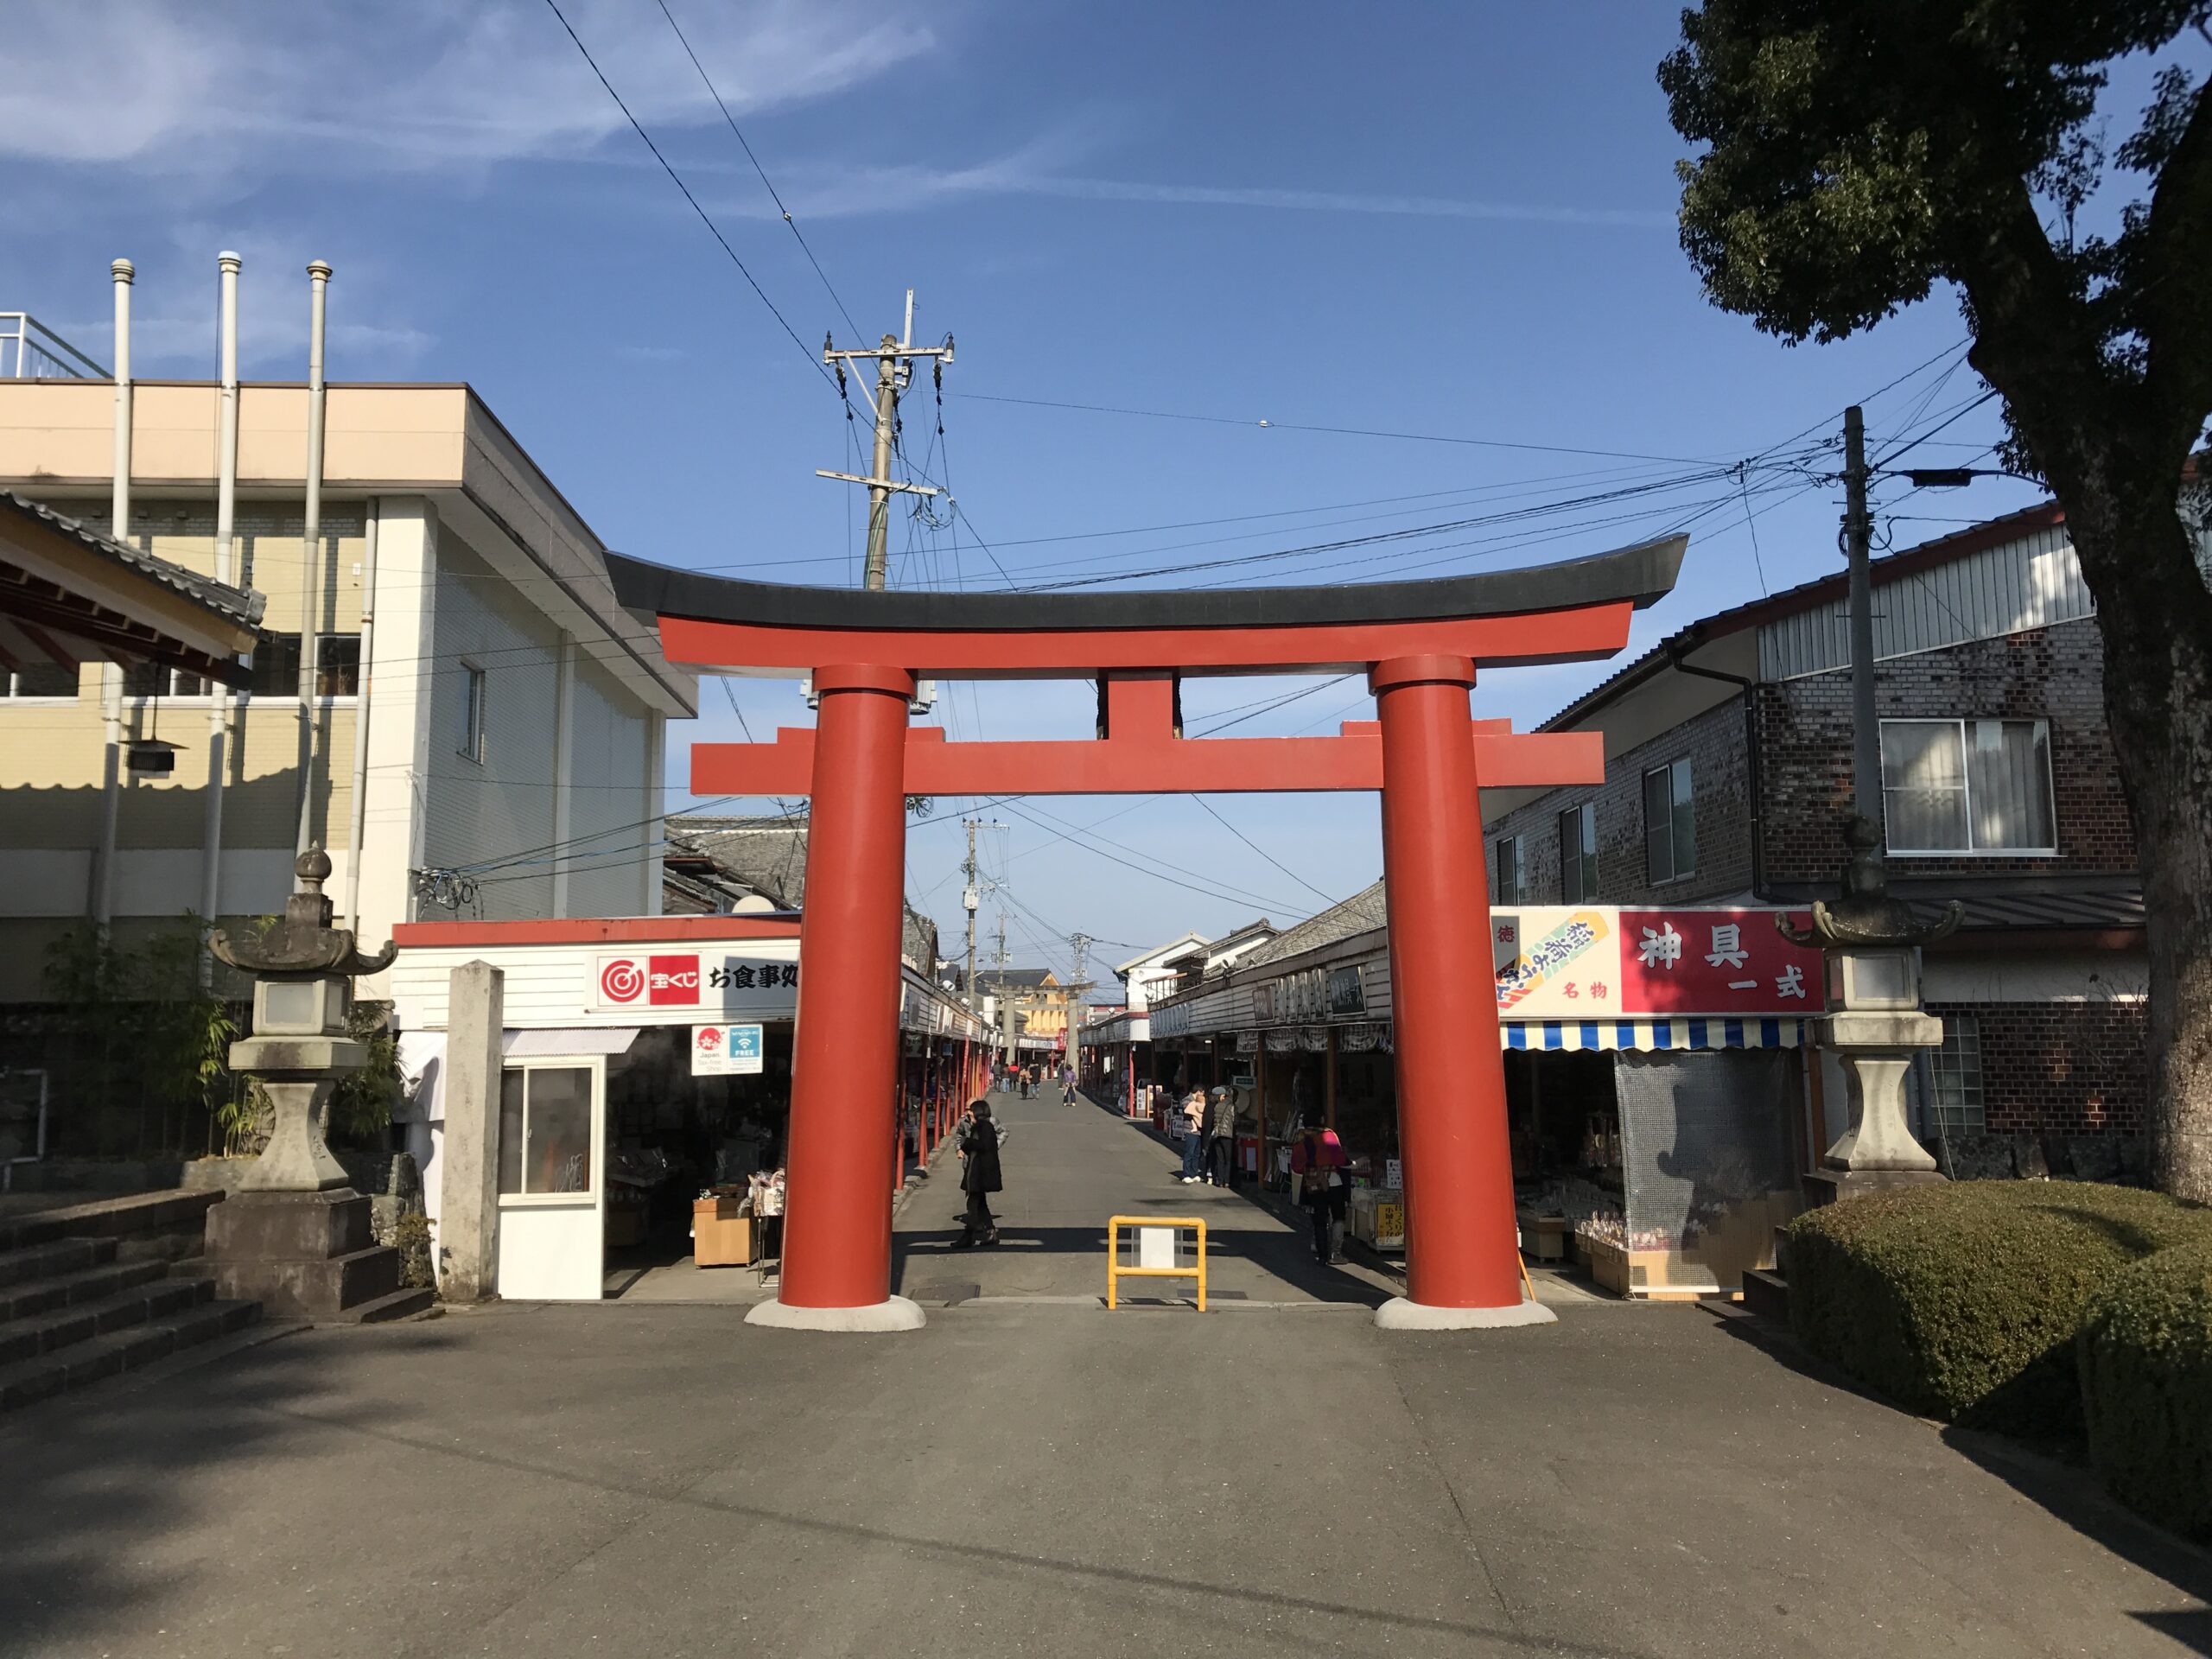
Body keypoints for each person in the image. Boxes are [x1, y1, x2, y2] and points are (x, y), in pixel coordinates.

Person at [1289, 1121, 1351, 1265]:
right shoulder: (1329, 1136)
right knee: (1338, 1217)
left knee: (1320, 1221)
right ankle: (1336, 1253)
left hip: (1314, 1184)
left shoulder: (1302, 1140)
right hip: (1334, 1182)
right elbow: (1340, 1159)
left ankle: (1322, 1255)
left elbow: (1296, 1167)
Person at [952, 1097, 1003, 1249]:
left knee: (973, 1205)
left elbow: (984, 1146)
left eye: (971, 1111)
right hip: (976, 1170)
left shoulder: (985, 1127)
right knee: (980, 1204)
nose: (969, 1114)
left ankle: (968, 1236)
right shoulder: (977, 1127)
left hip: (981, 1173)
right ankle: (990, 1232)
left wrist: (967, 1143)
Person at [1203, 1084, 1238, 1188]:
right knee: (1228, 1159)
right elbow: (1235, 1121)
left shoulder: (1217, 1106)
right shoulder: (1231, 1106)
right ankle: (1227, 1181)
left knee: (1220, 1159)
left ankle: (1219, 1180)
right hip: (1228, 1134)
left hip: (1217, 1134)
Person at [1177, 1085, 1208, 1183]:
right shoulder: (1187, 1100)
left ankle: (1194, 1173)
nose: (1203, 1094)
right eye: (1202, 1092)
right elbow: (1188, 1112)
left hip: (1199, 1130)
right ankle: (1186, 1174)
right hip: (1190, 1130)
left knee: (1197, 1153)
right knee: (1189, 1152)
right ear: (1198, 1091)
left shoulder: (1200, 1101)